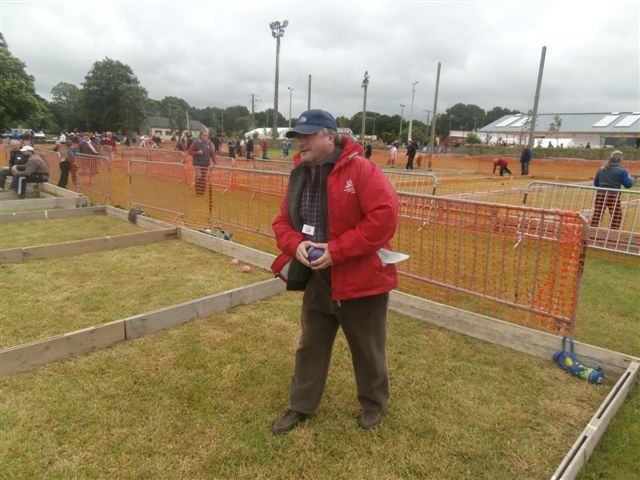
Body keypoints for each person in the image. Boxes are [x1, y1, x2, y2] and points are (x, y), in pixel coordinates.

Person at [270, 109, 399, 435]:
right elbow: (282, 223)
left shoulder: (361, 170)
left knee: (368, 349)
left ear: (330, 136)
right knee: (310, 346)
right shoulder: (300, 173)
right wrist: (296, 244)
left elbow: (384, 218)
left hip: (361, 282)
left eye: (307, 135)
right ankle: (300, 406)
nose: (300, 142)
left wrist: (337, 251)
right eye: (297, 136)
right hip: (318, 281)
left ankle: (373, 404)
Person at [590, 150, 634, 230]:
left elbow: (596, 184)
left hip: (600, 195)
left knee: (597, 215)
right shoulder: (622, 171)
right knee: (617, 216)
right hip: (613, 196)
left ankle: (591, 233)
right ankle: (612, 234)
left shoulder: (601, 169)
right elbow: (628, 185)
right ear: (620, 160)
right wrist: (630, 178)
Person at [188, 131, 217, 195]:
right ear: (201, 136)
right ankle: (198, 192)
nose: (206, 137)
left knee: (204, 178)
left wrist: (215, 162)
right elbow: (189, 152)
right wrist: (197, 152)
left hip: (206, 164)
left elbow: (213, 154)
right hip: (197, 163)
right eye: (204, 135)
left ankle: (202, 192)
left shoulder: (209, 143)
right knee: (199, 176)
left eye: (207, 135)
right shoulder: (196, 142)